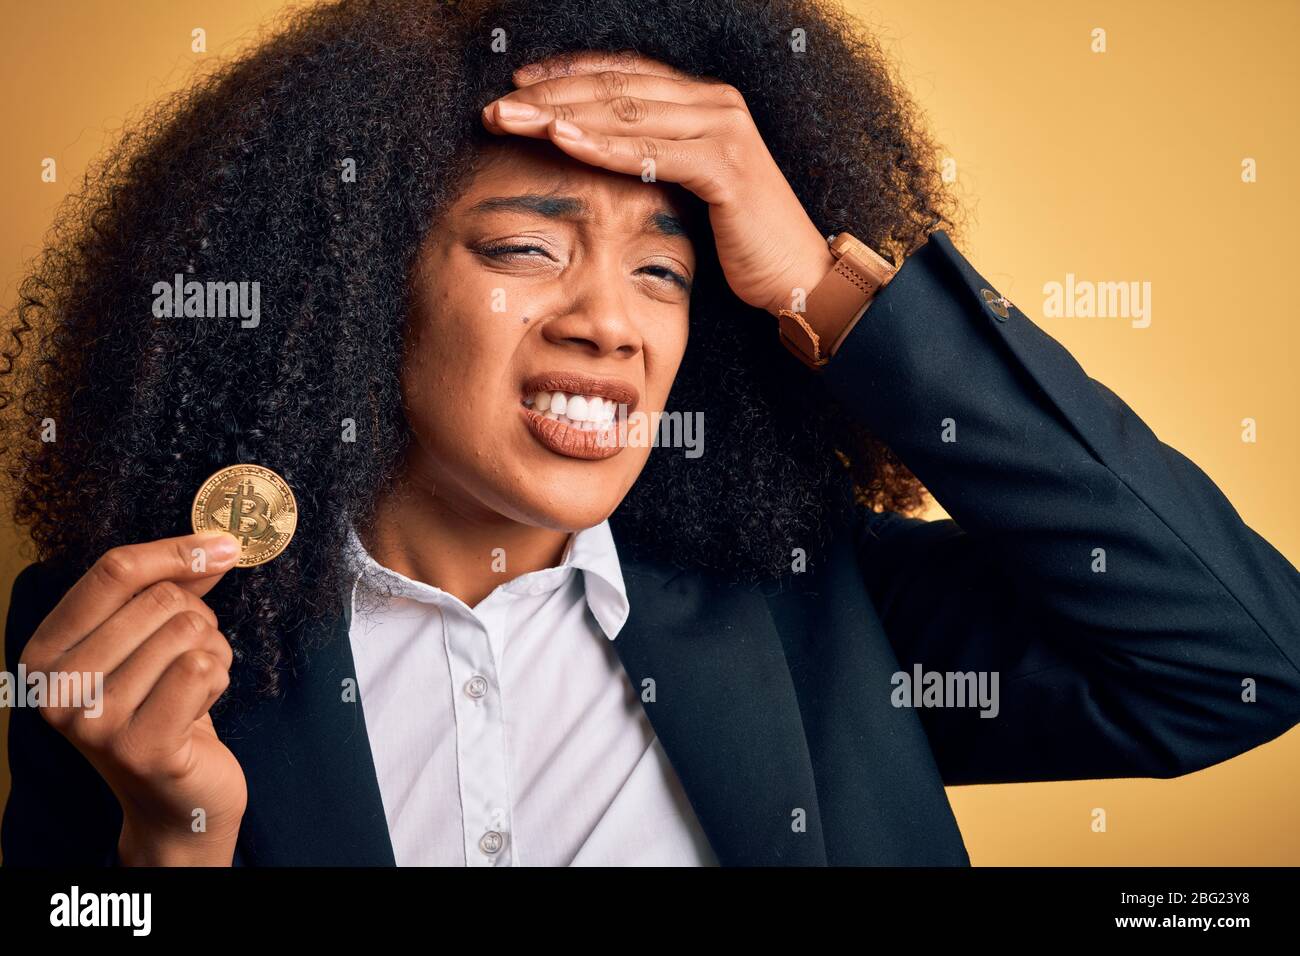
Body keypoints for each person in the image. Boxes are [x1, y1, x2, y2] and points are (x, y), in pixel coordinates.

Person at [2, 0, 1298, 867]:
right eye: (524, 248)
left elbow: (1242, 658)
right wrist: (170, 850)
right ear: (355, 288)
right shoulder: (132, 654)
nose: (608, 325)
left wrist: (824, 286)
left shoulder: (817, 612)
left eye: (663, 275)